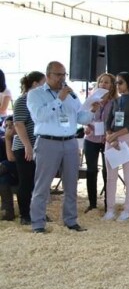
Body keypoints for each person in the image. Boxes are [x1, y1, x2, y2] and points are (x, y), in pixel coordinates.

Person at [28, 61, 95, 233]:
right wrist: (59, 99)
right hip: (47, 142)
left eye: (64, 74)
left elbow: (79, 117)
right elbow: (40, 116)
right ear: (48, 75)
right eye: (58, 75)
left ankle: (71, 220)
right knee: (42, 185)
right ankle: (37, 223)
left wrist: (93, 112)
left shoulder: (71, 95)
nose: (62, 78)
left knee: (71, 184)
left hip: (70, 142)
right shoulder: (35, 94)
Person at [101, 72, 129, 222]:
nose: (117, 86)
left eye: (120, 83)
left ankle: (127, 209)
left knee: (128, 177)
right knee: (111, 177)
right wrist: (110, 136)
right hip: (112, 140)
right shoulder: (115, 101)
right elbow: (108, 121)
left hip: (127, 139)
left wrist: (116, 135)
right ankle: (110, 209)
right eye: (116, 83)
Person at [12, 71, 46, 225]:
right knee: (26, 181)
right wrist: (27, 146)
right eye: (43, 82)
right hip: (24, 147)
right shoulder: (22, 100)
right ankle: (25, 215)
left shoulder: (39, 100)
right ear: (35, 84)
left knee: (38, 181)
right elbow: (18, 124)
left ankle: (37, 212)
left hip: (38, 146)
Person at [82, 73, 116, 213]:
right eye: (101, 82)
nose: (103, 84)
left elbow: (117, 120)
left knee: (107, 171)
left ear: (112, 85)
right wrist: (86, 126)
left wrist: (110, 133)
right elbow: (83, 117)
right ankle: (92, 203)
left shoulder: (115, 102)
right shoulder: (91, 99)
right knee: (91, 170)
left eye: (107, 82)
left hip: (107, 139)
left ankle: (109, 204)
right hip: (91, 139)